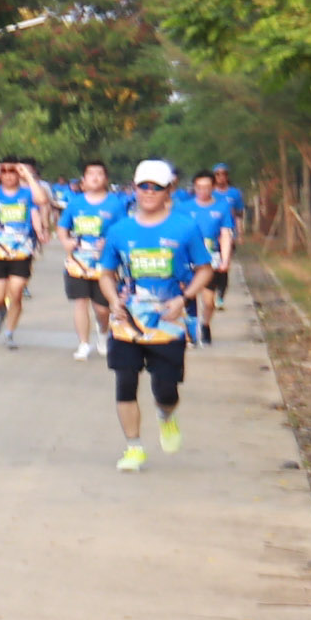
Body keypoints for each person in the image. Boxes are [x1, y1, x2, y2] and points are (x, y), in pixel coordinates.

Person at [97, 157, 219, 470]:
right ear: (134, 189)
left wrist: (184, 298)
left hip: (169, 322)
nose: (149, 192)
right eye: (143, 186)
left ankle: (167, 416)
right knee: (125, 383)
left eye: (156, 187)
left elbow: (205, 269)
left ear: (169, 191)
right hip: (128, 321)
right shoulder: (119, 230)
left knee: (165, 390)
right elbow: (106, 272)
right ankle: (134, 447)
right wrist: (112, 300)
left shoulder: (184, 227)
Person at [0, 156, 46, 348]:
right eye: (4, 171)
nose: (9, 175)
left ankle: (9, 333)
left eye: (13, 171)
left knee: (16, 292)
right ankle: (1, 311)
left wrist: (28, 175)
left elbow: (41, 200)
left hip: (21, 251)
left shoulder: (27, 193)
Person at [58, 159, 119, 360]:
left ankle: (103, 333)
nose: (95, 177)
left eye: (99, 174)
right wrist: (66, 241)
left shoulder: (115, 204)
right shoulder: (75, 203)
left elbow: (123, 230)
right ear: (84, 179)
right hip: (77, 262)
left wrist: (109, 243)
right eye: (91, 174)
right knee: (80, 302)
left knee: (102, 309)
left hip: (104, 265)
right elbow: (62, 226)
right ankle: (83, 343)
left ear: (106, 179)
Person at [192, 162, 243, 345]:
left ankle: (205, 324)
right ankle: (190, 332)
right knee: (187, 297)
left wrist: (225, 259)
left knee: (208, 302)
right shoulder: (184, 208)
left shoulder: (222, 208)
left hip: (210, 258)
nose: (203, 191)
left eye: (207, 187)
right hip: (188, 260)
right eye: (199, 187)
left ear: (213, 187)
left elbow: (225, 234)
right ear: (194, 188)